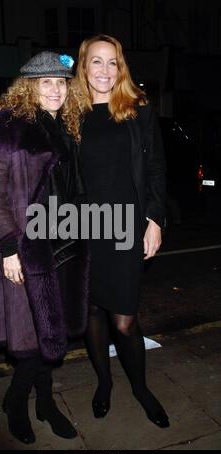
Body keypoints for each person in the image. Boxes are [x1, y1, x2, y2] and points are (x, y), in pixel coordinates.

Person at [0, 51, 89, 444]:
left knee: (51, 333)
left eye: (61, 82)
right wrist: (8, 247)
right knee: (30, 341)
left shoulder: (69, 128)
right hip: (23, 249)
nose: (56, 89)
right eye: (47, 83)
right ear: (30, 87)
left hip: (64, 246)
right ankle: (19, 401)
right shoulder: (12, 127)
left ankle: (45, 401)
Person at [75, 35, 170, 428]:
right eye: (96, 62)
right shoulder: (68, 113)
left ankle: (141, 388)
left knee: (124, 319)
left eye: (112, 62)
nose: (104, 70)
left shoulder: (138, 110)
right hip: (80, 225)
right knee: (92, 311)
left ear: (121, 68)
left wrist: (155, 219)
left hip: (126, 226)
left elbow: (155, 170)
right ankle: (104, 383)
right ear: (84, 67)